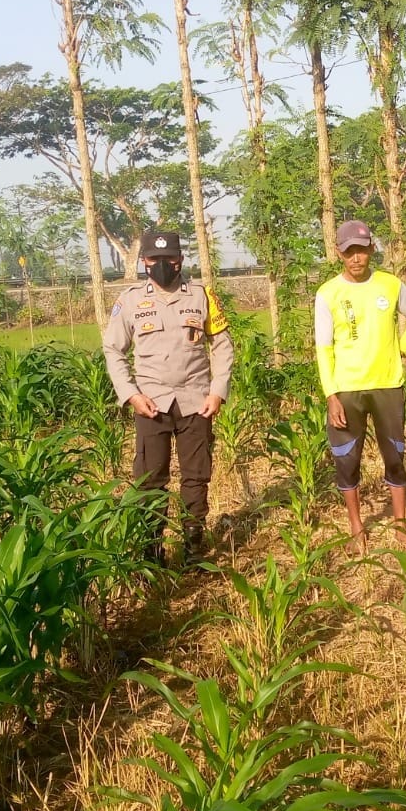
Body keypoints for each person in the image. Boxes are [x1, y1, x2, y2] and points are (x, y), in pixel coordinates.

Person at [102, 229, 233, 565]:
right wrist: (130, 395)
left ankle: (193, 546)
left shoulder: (202, 296)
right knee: (150, 480)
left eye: (169, 259)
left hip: (196, 401)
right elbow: (113, 349)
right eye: (154, 260)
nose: (162, 265)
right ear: (143, 261)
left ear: (180, 260)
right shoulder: (129, 301)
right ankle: (152, 552)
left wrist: (217, 392)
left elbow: (222, 346)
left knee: (196, 475)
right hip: (151, 405)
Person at [314, 219, 406, 551]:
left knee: (395, 456)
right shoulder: (328, 293)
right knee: (347, 460)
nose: (356, 258)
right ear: (339, 253)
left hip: (388, 386)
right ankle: (356, 527)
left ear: (372, 249)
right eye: (349, 252)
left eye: (361, 250)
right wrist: (331, 394)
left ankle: (401, 525)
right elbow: (323, 347)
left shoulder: (390, 285)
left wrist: (401, 348)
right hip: (347, 390)